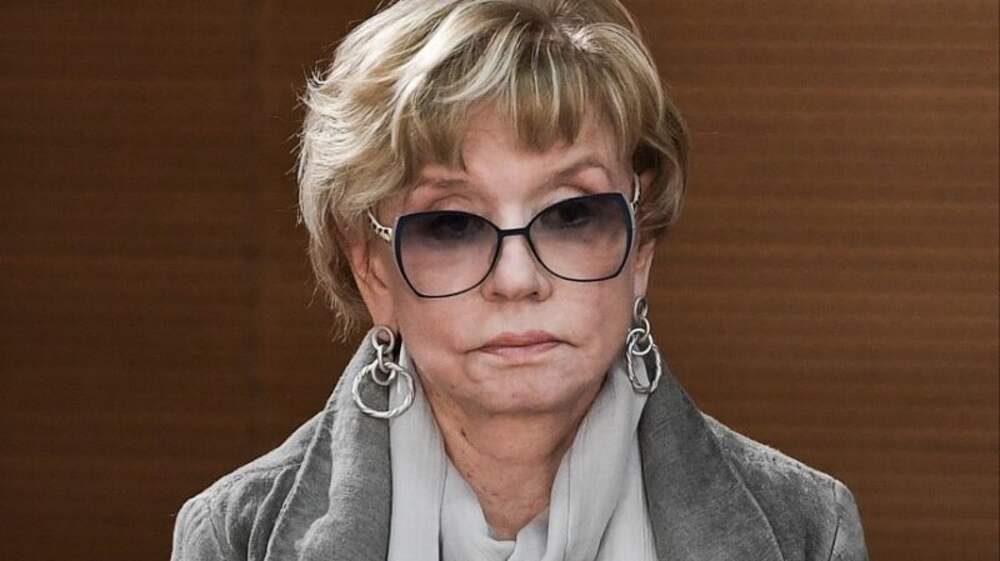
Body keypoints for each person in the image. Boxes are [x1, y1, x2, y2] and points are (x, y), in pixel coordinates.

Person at [171, 0, 870, 559]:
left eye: (571, 213)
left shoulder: (807, 530)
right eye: (452, 223)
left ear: (641, 245)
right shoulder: (233, 537)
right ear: (371, 268)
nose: (516, 278)